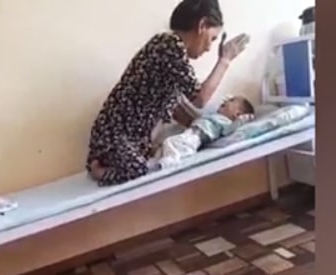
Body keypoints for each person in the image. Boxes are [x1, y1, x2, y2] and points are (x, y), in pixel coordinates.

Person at [86, 0, 250, 186]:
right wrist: (225, 59)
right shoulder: (170, 46)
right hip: (113, 136)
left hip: (129, 139)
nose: (208, 48)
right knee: (139, 169)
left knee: (155, 159)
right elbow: (199, 99)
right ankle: (100, 173)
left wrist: (204, 131)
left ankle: (111, 164)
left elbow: (178, 110)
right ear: (202, 25)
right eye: (212, 39)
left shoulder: (168, 50)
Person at [154, 95, 255, 169]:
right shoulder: (214, 116)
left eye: (231, 100)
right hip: (190, 133)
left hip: (196, 137)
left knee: (170, 142)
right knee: (165, 144)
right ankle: (156, 163)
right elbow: (197, 116)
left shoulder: (225, 122)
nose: (226, 100)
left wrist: (241, 120)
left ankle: (171, 161)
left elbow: (229, 130)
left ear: (237, 114)